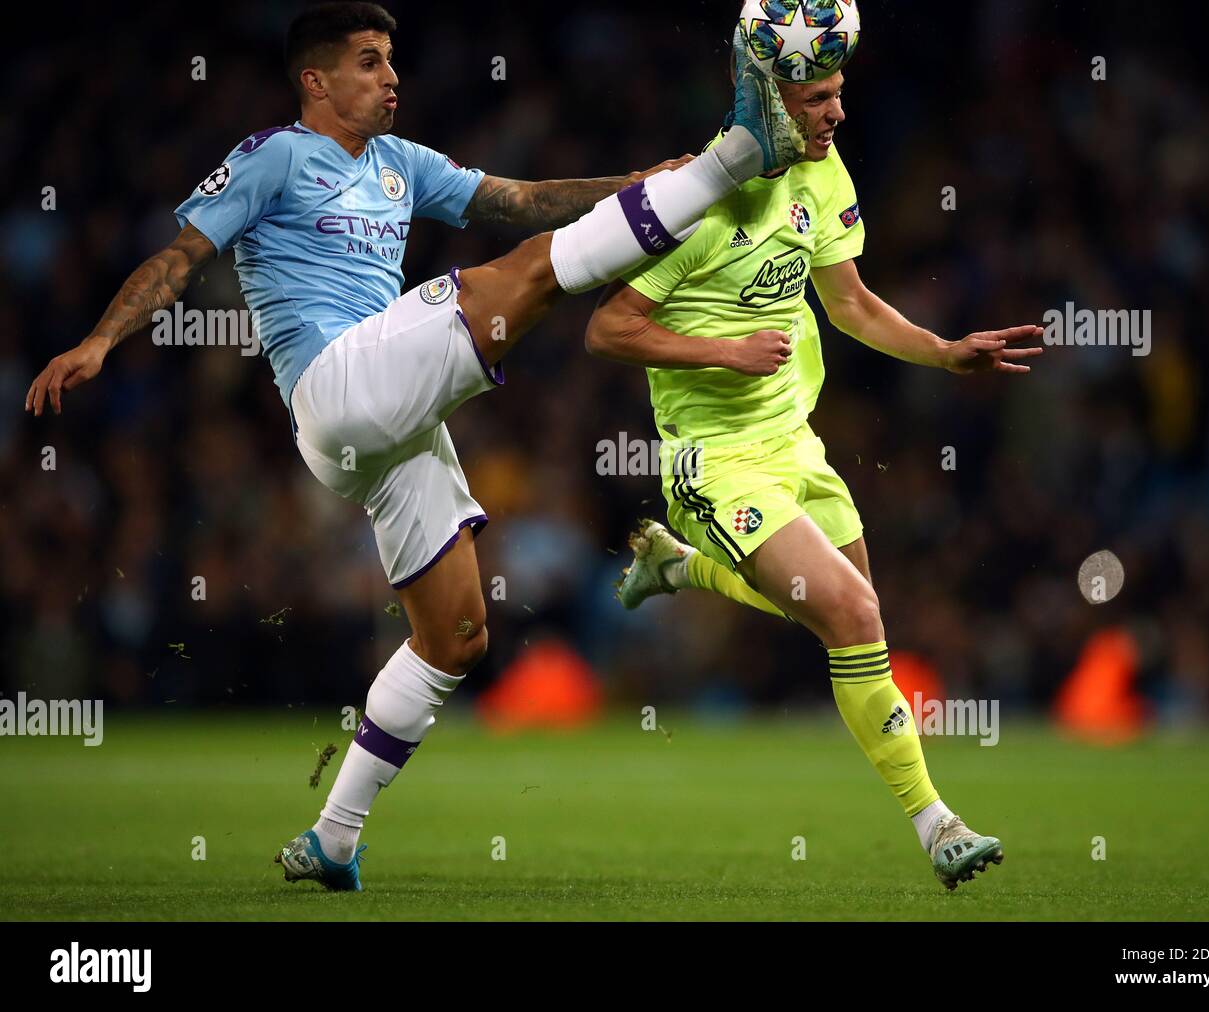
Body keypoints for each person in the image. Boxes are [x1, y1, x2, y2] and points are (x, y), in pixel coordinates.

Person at [24, 3, 805, 891]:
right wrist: (99, 339)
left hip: (383, 426)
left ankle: (333, 838)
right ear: (316, 82)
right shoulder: (274, 155)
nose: (391, 76)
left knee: (459, 638)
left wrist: (636, 179)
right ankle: (743, 151)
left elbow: (515, 201)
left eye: (392, 59)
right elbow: (181, 254)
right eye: (368, 61)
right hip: (335, 383)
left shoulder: (403, 164)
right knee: (540, 273)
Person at [586, 63, 1044, 890]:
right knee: (853, 609)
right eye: (816, 99)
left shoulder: (823, 173)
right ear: (769, 103)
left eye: (838, 92)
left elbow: (854, 305)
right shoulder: (694, 199)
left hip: (795, 444)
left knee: (850, 625)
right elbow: (609, 329)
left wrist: (944, 352)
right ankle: (937, 824)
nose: (838, 111)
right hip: (713, 460)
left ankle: (677, 567)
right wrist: (723, 350)